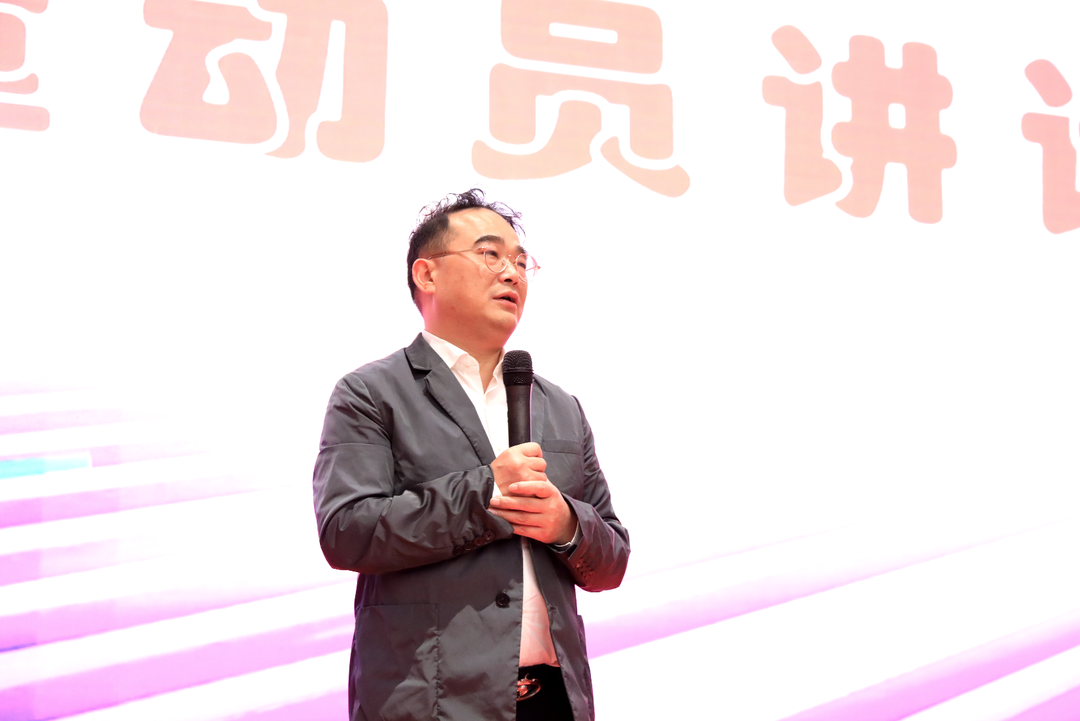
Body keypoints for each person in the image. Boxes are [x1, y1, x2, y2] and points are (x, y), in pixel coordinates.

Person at [312, 189, 630, 721]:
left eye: (521, 262)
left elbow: (612, 560)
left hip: (555, 699)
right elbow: (347, 531)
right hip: (431, 702)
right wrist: (486, 494)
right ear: (427, 274)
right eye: (490, 254)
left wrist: (566, 525)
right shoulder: (370, 394)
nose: (512, 273)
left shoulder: (561, 406)